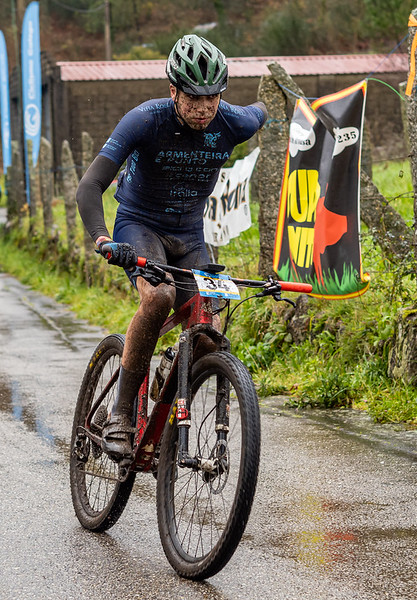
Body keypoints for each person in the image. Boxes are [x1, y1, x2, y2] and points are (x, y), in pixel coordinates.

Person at [75, 34, 268, 459]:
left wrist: (290, 100)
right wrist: (103, 239)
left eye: (212, 98)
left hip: (190, 236)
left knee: (211, 325)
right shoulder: (145, 121)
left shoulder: (232, 122)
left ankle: (167, 381)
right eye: (193, 98)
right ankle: (122, 413)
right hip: (139, 226)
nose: (203, 107)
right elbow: (90, 186)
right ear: (173, 91)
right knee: (159, 295)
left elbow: (262, 112)